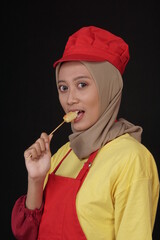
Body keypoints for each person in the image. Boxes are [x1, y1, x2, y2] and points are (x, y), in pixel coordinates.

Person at [11, 26, 159, 240]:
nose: (70, 99)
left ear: (108, 87)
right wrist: (36, 179)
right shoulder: (62, 155)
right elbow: (27, 234)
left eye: (82, 85)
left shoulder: (131, 159)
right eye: (63, 88)